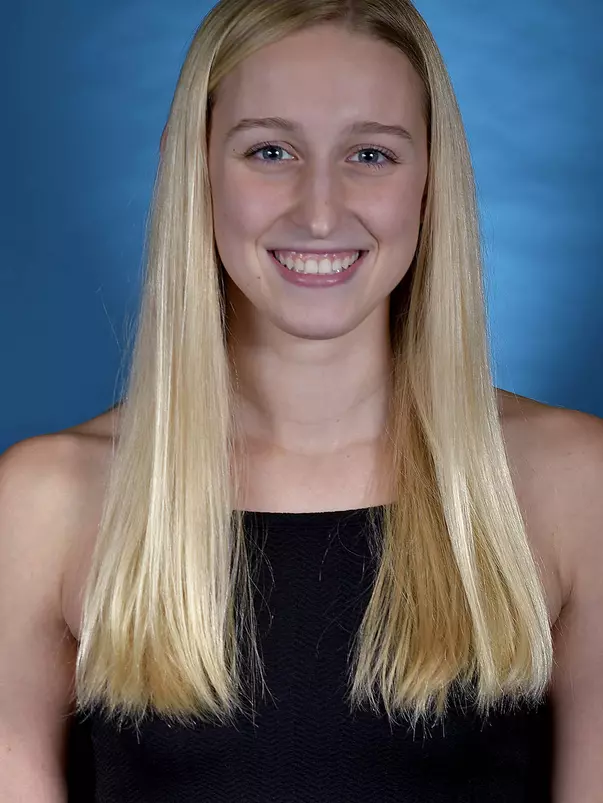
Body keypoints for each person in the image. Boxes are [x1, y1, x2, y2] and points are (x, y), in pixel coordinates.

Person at [1, 0, 602, 800]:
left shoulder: (573, 485)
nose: (319, 210)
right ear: (193, 170)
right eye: (270, 150)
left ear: (431, 182)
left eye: (371, 155)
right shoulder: (47, 503)